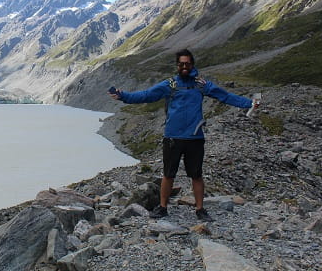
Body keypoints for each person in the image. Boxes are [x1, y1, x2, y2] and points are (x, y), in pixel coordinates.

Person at [108, 48, 258, 221]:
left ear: (192, 64)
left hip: (195, 137)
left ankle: (200, 209)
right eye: (181, 64)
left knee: (196, 175)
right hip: (173, 137)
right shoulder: (170, 84)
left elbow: (224, 96)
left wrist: (249, 103)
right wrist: (123, 96)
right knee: (168, 174)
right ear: (177, 66)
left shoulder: (202, 85)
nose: (184, 66)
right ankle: (163, 207)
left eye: (187, 63)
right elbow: (147, 95)